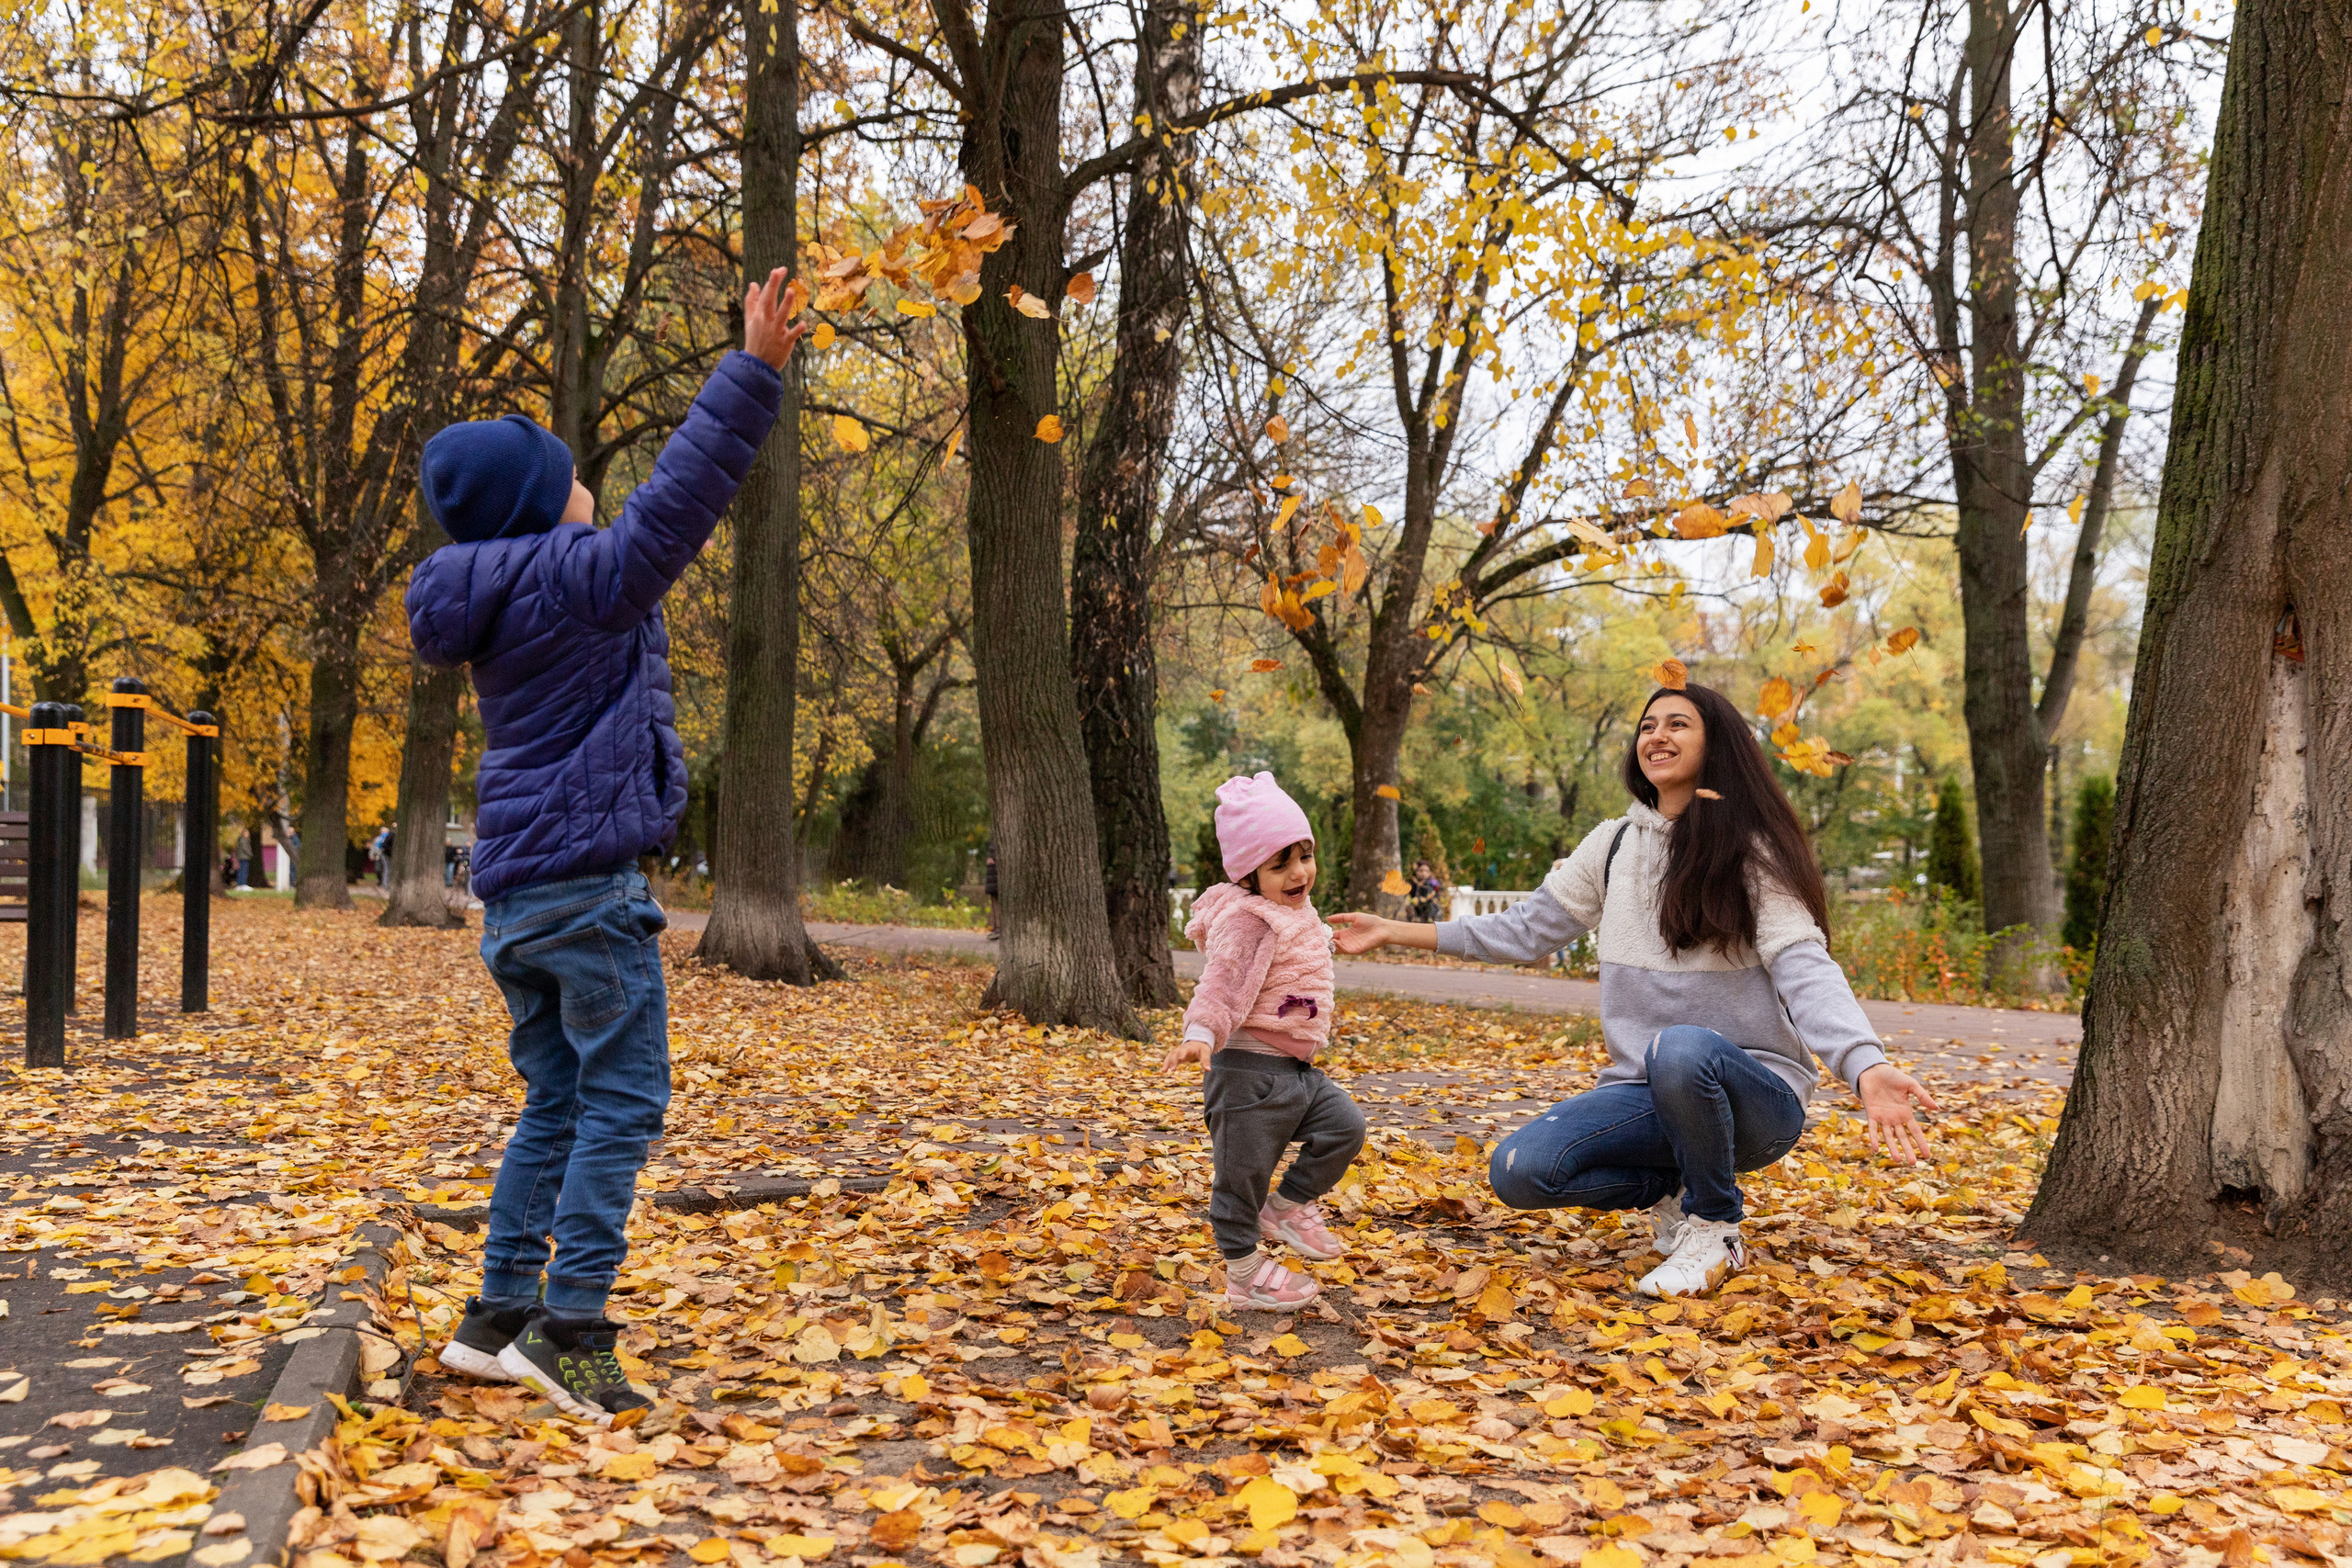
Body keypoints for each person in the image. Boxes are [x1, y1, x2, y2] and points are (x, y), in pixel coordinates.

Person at [404, 266, 808, 1423]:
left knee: (556, 1102)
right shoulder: (578, 580)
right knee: (622, 1101)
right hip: (587, 895)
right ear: (542, 506)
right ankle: (570, 1329)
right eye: (574, 475)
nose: (593, 486)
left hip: (519, 904)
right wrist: (751, 373)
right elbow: (677, 504)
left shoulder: (491, 599)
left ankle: (496, 1317)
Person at [1331, 682, 1936, 1298]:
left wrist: (1864, 1064)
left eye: (1678, 724)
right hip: (1649, 1094)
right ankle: (1674, 1190)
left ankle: (1716, 1227)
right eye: (1648, 726)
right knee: (1519, 1170)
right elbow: (1523, 929)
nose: (1658, 736)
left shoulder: (1749, 851)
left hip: (1756, 1103)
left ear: (1716, 745)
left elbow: (1805, 967)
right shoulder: (1613, 844)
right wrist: (1394, 931)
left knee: (1681, 1048)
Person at [1165, 773, 1367, 1311]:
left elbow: (1290, 963)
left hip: (1296, 1074)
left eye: (1305, 855)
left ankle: (1286, 1206)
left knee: (1345, 1127)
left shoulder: (1288, 911)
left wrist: (1326, 943)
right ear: (1249, 874)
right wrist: (1200, 1033)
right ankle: (1244, 1274)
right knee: (1242, 1178)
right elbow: (1223, 981)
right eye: (1281, 865)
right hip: (1248, 1075)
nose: (1299, 872)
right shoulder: (1248, 921)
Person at [1408, 858, 1444, 923]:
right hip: (1417, 915)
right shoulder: (1413, 883)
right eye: (1421, 871)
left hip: (1431, 915)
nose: (1424, 873)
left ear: (1430, 872)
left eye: (1427, 871)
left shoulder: (1433, 883)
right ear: (1417, 871)